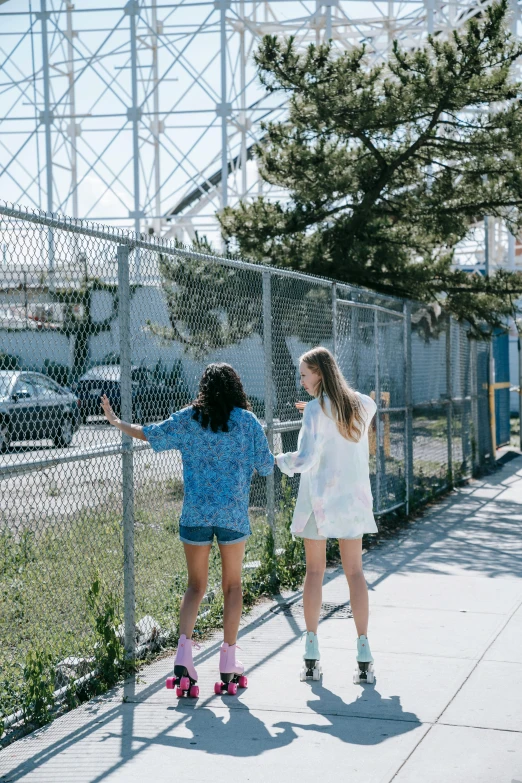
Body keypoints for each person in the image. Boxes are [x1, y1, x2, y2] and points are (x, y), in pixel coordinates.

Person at [101, 362, 274, 697]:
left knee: (195, 586)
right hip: (232, 516)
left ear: (204, 388)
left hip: (194, 513)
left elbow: (151, 432)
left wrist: (115, 421)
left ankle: (183, 655)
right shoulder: (247, 422)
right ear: (236, 387)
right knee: (233, 586)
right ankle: (228, 661)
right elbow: (266, 466)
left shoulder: (189, 418)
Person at [275, 346, 378, 685]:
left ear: (319, 372)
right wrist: (319, 411)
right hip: (351, 501)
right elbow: (355, 410)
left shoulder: (316, 411)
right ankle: (363, 650)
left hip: (319, 500)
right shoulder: (361, 404)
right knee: (355, 573)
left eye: (304, 374)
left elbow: (305, 460)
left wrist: (278, 460)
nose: (301, 381)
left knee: (315, 572)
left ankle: (311, 650)